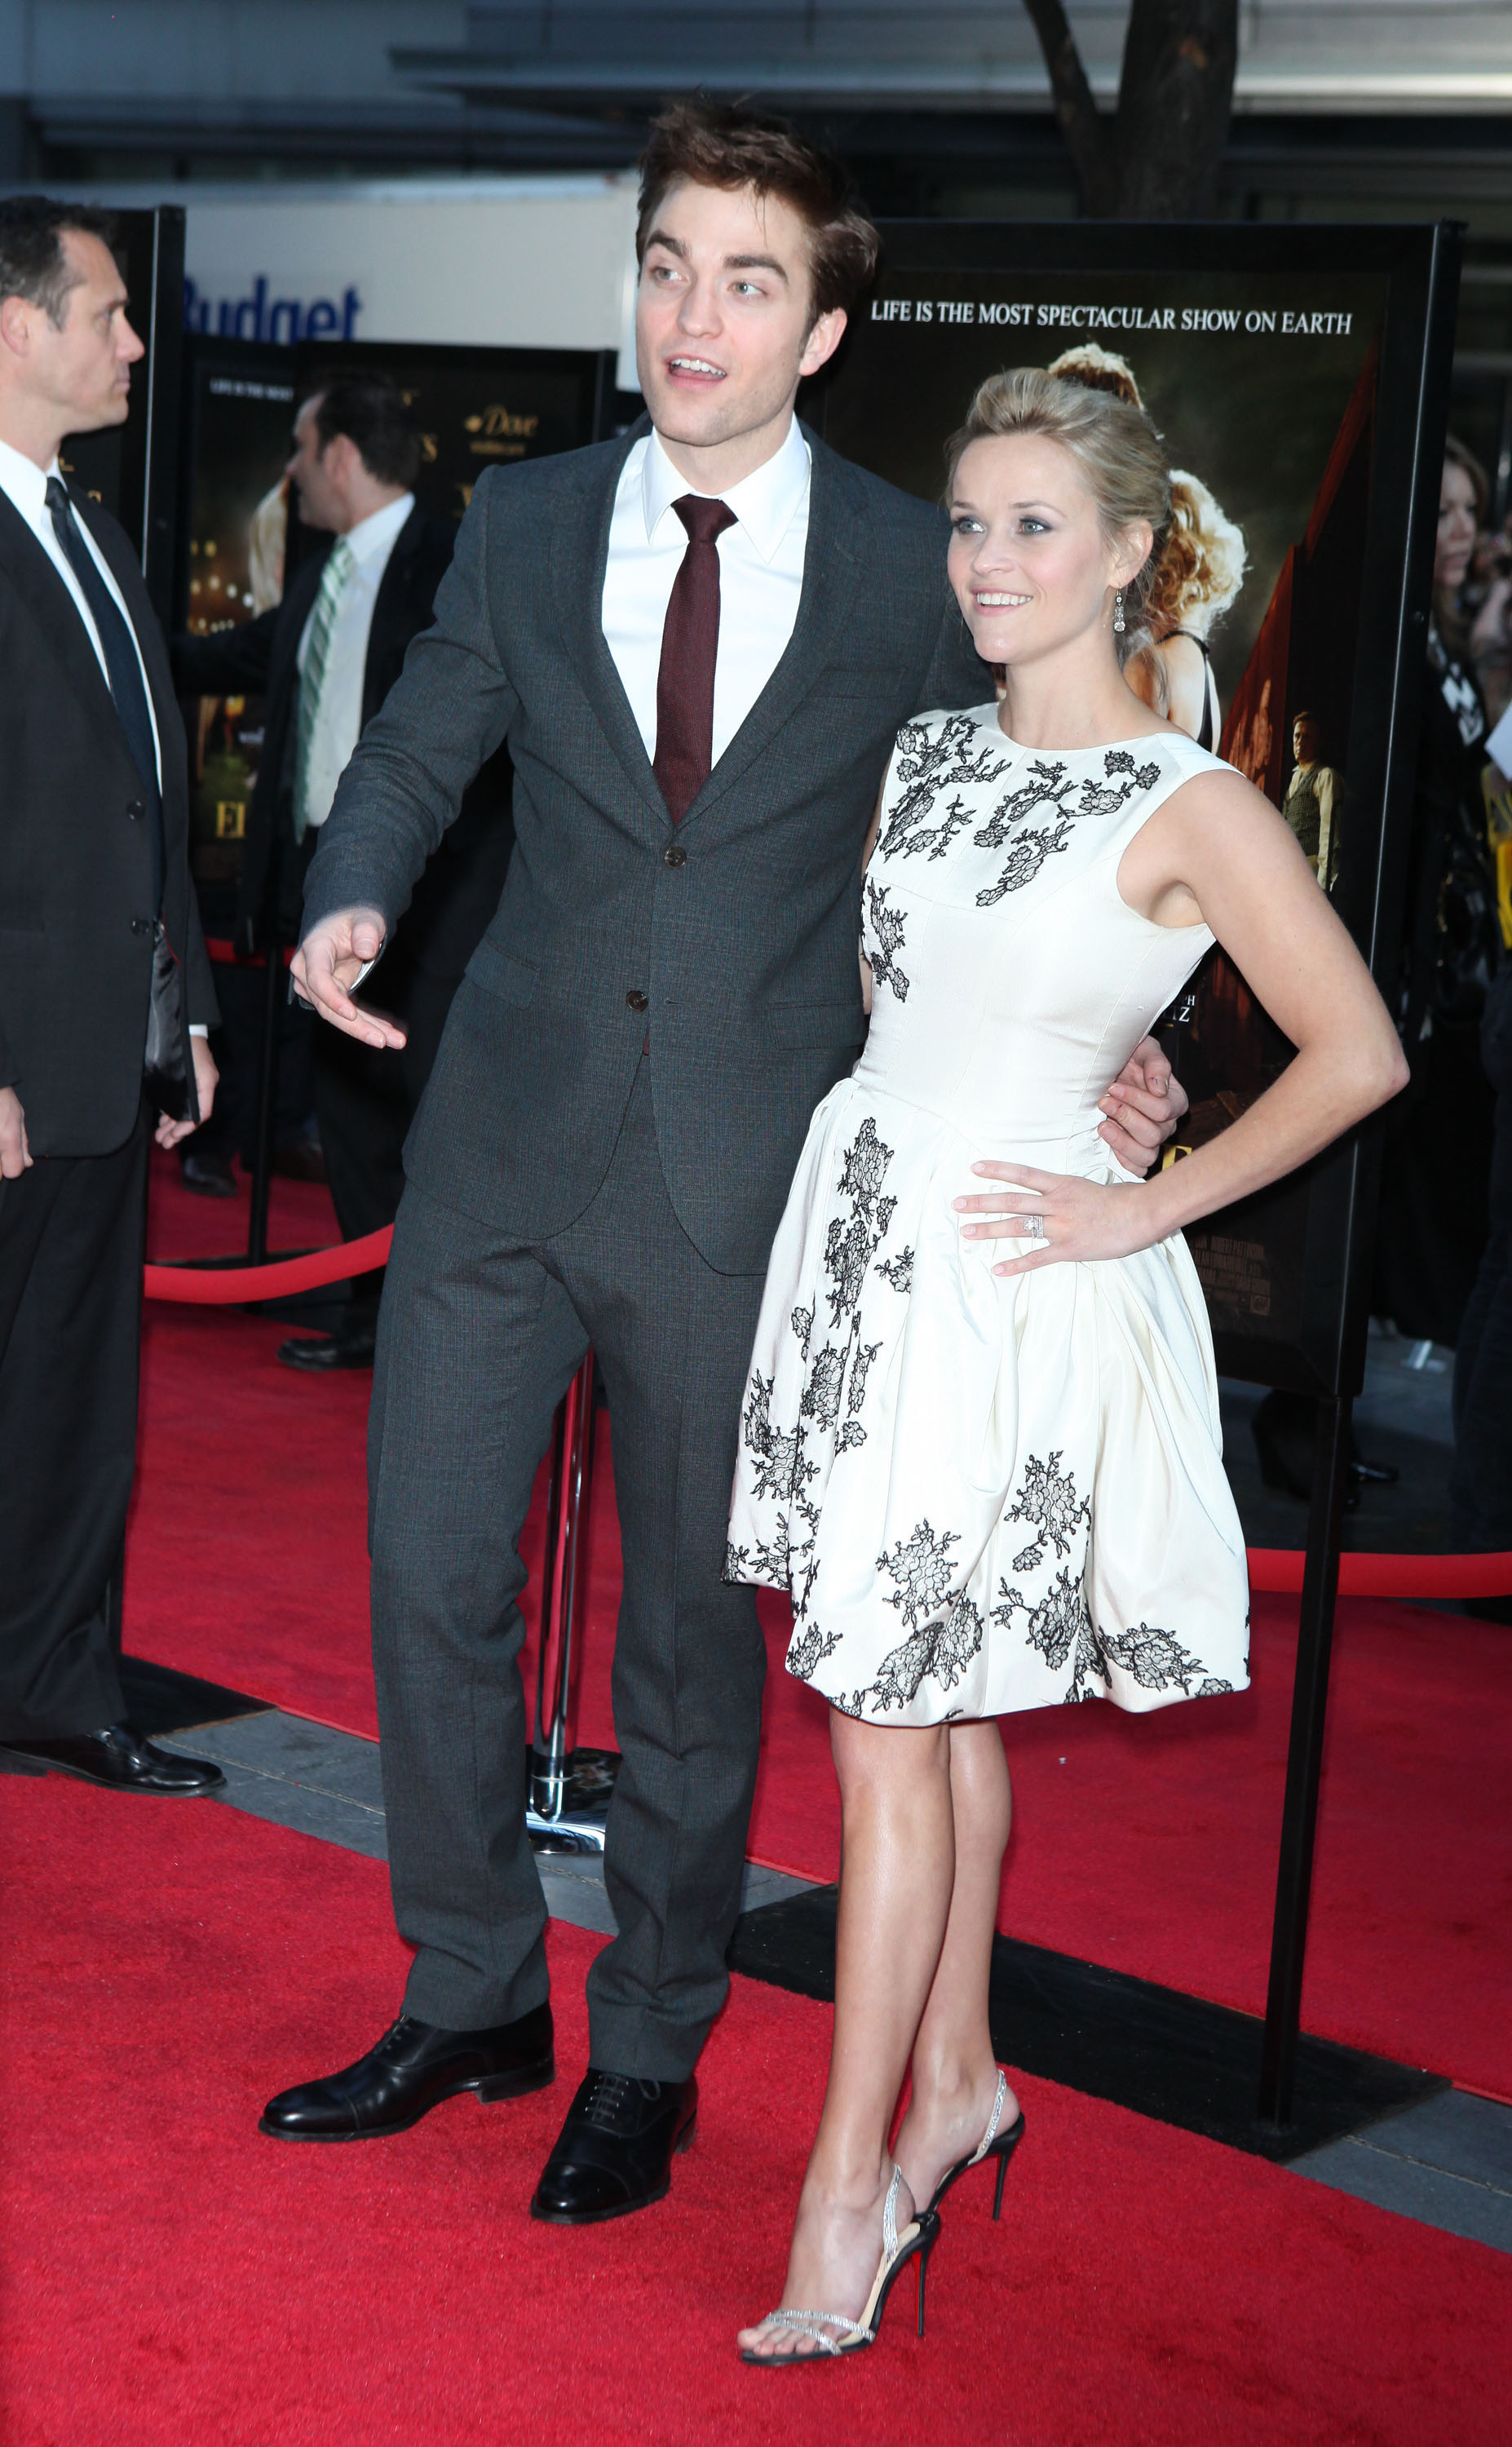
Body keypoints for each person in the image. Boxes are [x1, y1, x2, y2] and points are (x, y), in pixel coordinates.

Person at [259, 103, 1186, 2220]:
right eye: (669, 265)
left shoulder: (904, 566)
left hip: (747, 1181)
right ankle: (472, 1990)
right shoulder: (522, 518)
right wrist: (353, 892)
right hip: (500, 1143)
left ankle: (649, 2046)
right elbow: (419, 743)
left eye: (748, 281)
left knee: (686, 1651)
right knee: (427, 1580)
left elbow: (1030, 811)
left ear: (821, 328)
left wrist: (1123, 1041)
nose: (693, 315)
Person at [727, 369, 1407, 2361]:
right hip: (864, 1249)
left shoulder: (1188, 801)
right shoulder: (926, 752)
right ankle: (954, 2081)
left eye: (1033, 526)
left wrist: (1148, 1196)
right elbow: (913, 1002)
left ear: (1125, 555)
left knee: (883, 1722)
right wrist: (1113, 1066)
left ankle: (845, 2188)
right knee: (927, 1712)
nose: (987, 560)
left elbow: (1359, 1052)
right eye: (968, 521)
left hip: (1008, 1290)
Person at [0, 197, 225, 1794]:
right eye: (107, 315)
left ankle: (49, 1686)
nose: (134, 343)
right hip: (13, 1067)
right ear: (17, 330)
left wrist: (187, 1011)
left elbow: (149, 796)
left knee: (75, 1403)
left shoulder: (88, 531)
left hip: (99, 1053)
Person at [175, 373, 513, 1369]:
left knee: (432, 1114)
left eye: (300, 449)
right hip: (325, 879)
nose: (290, 472)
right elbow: (245, 659)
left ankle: (447, 1335)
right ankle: (372, 1317)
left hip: (435, 895)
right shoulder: (320, 574)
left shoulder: (457, 557)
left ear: (341, 456)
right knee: (350, 1108)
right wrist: (123, 648)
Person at [1373, 436, 1503, 1349]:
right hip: (1409, 948)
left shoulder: (1447, 639)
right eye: (1444, 510)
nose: (1461, 529)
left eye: (1471, 510)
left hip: (1456, 946)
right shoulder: (1395, 640)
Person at [1280, 710, 1342, 888]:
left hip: (1311, 868)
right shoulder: (1293, 780)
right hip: (1291, 868)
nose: (1300, 742)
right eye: (1297, 736)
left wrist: (1325, 879)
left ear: (1318, 742)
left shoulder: (1325, 776)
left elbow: (1330, 832)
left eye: (1307, 737)